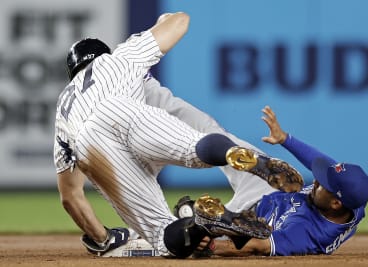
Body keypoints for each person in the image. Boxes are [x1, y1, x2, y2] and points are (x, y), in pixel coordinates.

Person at [53, 12, 296, 258]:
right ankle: (231, 153)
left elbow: (70, 197)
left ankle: (199, 223)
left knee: (164, 236)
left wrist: (102, 239)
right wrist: (163, 20)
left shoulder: (63, 107)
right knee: (194, 147)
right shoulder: (119, 58)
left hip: (89, 143)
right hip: (122, 108)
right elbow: (181, 21)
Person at [187, 105, 368, 257]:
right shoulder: (353, 197)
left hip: (248, 221)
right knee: (217, 137)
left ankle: (185, 219)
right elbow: (319, 162)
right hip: (269, 187)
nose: (315, 181)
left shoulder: (306, 233)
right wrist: (285, 139)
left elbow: (258, 246)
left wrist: (211, 246)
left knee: (187, 234)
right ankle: (158, 97)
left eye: (322, 184)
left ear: (336, 203)